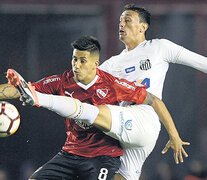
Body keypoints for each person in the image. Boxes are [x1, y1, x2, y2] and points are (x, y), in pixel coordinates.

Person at [6, 35, 189, 180]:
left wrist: (174, 135)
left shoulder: (112, 84)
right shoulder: (62, 81)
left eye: (82, 61)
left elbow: (154, 100)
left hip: (102, 157)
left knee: (91, 112)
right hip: (70, 153)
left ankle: (39, 99)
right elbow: (20, 89)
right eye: (74, 59)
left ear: (95, 63)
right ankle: (38, 98)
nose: (76, 65)